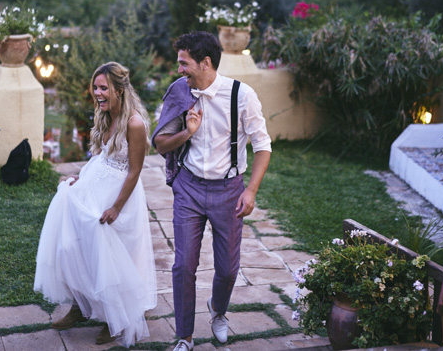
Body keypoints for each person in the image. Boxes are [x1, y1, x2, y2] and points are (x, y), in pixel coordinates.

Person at [152, 31, 271, 351]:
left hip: (229, 191)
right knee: (183, 265)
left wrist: (251, 191)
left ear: (205, 63)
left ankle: (218, 311)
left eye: (184, 63)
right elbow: (161, 143)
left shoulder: (242, 96)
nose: (179, 70)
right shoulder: (179, 92)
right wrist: (187, 132)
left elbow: (263, 147)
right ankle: (185, 337)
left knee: (229, 270)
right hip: (188, 188)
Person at [34, 62, 157, 347]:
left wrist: (116, 207)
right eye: (96, 87)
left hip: (119, 195)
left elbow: (135, 170)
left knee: (108, 256)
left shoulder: (134, 123)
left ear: (119, 90)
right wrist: (82, 175)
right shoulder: (105, 115)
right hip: (96, 183)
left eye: (104, 88)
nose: (98, 93)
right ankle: (80, 304)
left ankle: (114, 320)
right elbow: (101, 156)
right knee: (72, 243)